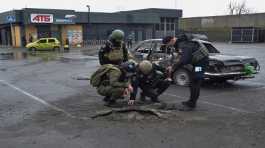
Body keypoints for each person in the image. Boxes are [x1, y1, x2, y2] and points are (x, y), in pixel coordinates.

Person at [162, 34, 209, 111]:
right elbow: (181, 58)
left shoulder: (183, 44)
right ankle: (191, 101)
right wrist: (173, 65)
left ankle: (192, 104)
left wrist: (173, 67)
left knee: (195, 81)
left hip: (201, 64)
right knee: (193, 82)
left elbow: (184, 60)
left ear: (171, 40)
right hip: (197, 63)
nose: (168, 46)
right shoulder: (181, 43)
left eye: (168, 44)